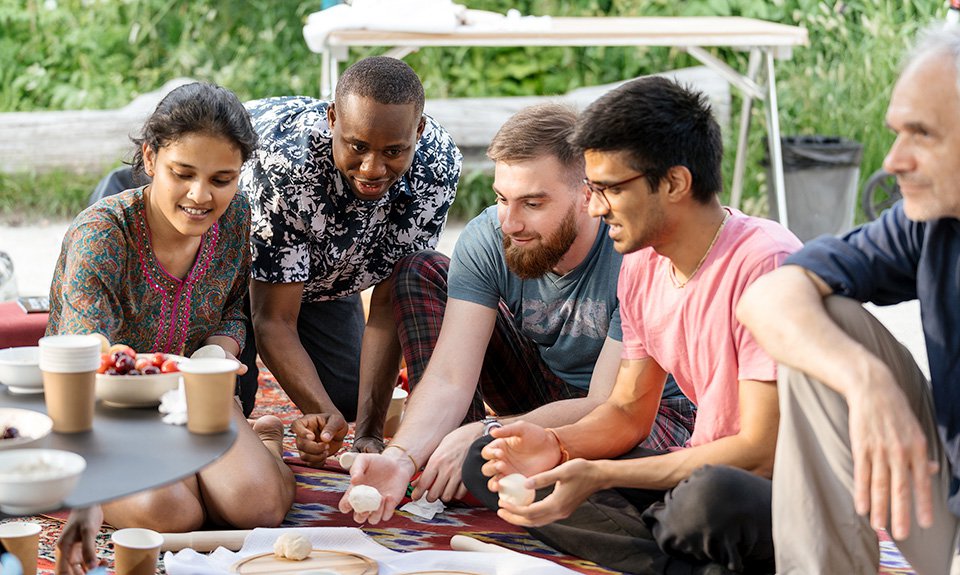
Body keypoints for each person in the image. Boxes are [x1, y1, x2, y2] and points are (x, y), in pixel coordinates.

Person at [463, 77, 802, 574]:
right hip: (696, 475)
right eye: (593, 189)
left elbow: (759, 450)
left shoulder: (765, 263)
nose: (595, 207)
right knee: (489, 461)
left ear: (675, 183)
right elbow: (626, 412)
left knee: (705, 499)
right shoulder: (642, 264)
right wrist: (555, 445)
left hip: (778, 490)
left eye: (610, 190)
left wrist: (598, 475)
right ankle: (681, 563)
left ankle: (667, 550)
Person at [333, 103, 695, 523]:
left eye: (533, 204)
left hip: (641, 414)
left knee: (631, 478)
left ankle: (479, 464)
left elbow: (609, 406)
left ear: (588, 195)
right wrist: (400, 456)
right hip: (542, 393)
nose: (510, 222)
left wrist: (490, 433)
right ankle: (451, 462)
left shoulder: (633, 252)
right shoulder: (490, 234)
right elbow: (451, 376)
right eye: (503, 198)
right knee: (421, 270)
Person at [737, 26, 960, 575]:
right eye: (896, 132)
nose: (894, 159)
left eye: (922, 134)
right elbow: (769, 298)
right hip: (944, 509)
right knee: (822, 324)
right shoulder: (927, 225)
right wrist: (866, 380)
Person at [49, 82, 296, 573]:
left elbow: (230, 308)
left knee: (258, 506)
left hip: (192, 397)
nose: (201, 195)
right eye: (182, 174)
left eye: (222, 179)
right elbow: (90, 356)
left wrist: (217, 354)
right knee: (173, 515)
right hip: (108, 409)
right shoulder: (101, 233)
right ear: (149, 157)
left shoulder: (237, 219)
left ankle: (257, 449)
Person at [240, 56, 462, 459]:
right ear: (332, 120)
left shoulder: (437, 166)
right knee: (231, 400)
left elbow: (389, 303)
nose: (373, 168)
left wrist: (369, 434)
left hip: (327, 272)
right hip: (238, 266)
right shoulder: (286, 166)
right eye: (357, 146)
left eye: (394, 151)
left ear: (419, 131)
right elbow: (272, 319)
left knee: (348, 398)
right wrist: (318, 413)